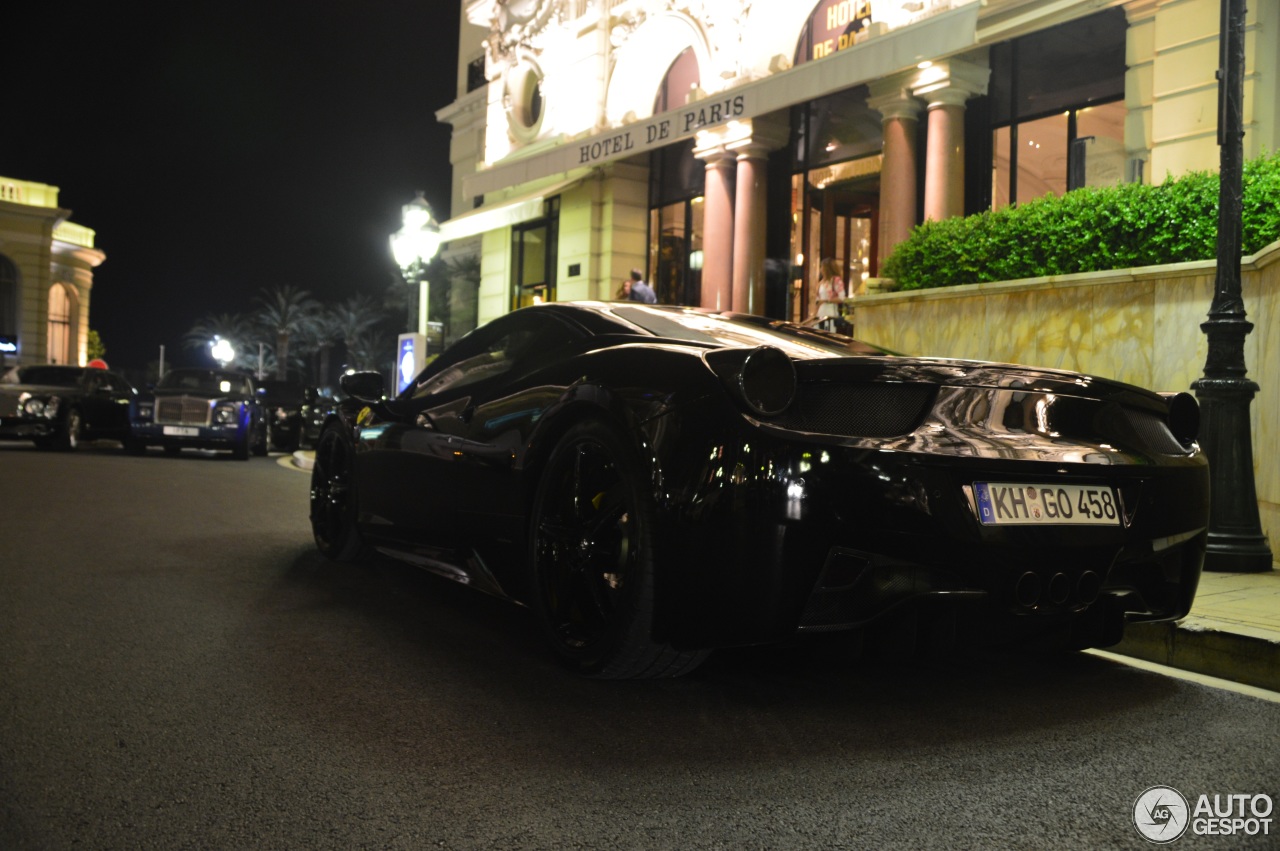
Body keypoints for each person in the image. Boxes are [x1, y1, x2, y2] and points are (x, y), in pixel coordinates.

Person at [813, 257, 846, 327]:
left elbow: (842, 298)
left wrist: (826, 301)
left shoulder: (836, 280)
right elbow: (818, 301)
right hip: (820, 313)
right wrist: (814, 315)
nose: (821, 269)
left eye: (822, 267)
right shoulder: (821, 282)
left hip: (830, 312)